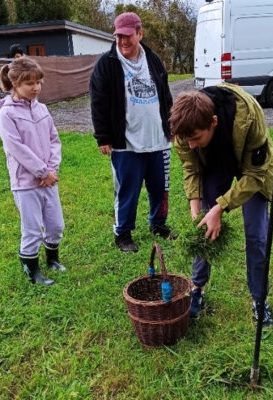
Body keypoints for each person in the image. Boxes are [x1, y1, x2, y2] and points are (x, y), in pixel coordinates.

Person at [170, 83, 273, 325]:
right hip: (216, 162)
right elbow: (191, 167)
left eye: (197, 138)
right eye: (188, 141)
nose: (192, 145)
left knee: (256, 233)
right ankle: (197, 288)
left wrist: (221, 207)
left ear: (213, 122)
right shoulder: (184, 131)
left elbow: (255, 175)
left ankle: (259, 300)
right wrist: (196, 210)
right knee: (203, 228)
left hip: (251, 165)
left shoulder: (250, 116)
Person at [89, 12, 176, 253]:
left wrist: (172, 125)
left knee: (160, 188)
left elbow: (165, 95)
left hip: (158, 140)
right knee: (127, 190)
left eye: (128, 36)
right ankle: (123, 233)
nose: (123, 42)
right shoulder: (107, 63)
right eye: (119, 36)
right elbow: (98, 102)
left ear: (140, 33)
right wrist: (103, 136)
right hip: (126, 143)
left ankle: (158, 225)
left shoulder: (153, 59)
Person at [0, 57, 66, 286]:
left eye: (39, 82)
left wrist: (51, 170)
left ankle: (52, 259)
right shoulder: (7, 114)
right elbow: (17, 148)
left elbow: (54, 140)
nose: (36, 88)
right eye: (30, 84)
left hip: (49, 180)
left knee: (56, 226)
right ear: (15, 83)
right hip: (26, 183)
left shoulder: (42, 109)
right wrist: (41, 171)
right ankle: (32, 272)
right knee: (32, 229)